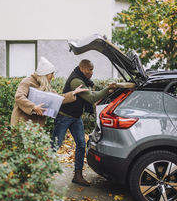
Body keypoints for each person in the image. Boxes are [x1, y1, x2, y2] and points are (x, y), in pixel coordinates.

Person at [52, 59, 118, 187]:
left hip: (75, 117)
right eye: (90, 69)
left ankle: (78, 175)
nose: (92, 72)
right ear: (82, 68)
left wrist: (107, 92)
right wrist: (107, 89)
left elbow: (92, 94)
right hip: (64, 117)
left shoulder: (83, 79)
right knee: (55, 145)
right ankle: (41, 174)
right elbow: (91, 97)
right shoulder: (76, 81)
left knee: (82, 144)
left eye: (92, 69)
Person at [11, 56, 88, 127]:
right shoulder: (27, 82)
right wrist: (33, 107)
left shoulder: (45, 85)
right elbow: (19, 97)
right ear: (45, 74)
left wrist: (73, 92)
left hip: (35, 125)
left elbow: (58, 98)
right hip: (22, 123)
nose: (53, 76)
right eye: (52, 74)